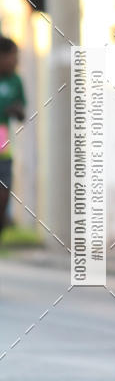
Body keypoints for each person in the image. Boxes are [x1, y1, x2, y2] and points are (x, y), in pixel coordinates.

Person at [0, 36, 26, 239]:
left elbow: (22, 112)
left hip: (2, 144)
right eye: (12, 57)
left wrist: (16, 110)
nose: (16, 61)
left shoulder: (15, 80)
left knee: (4, 191)